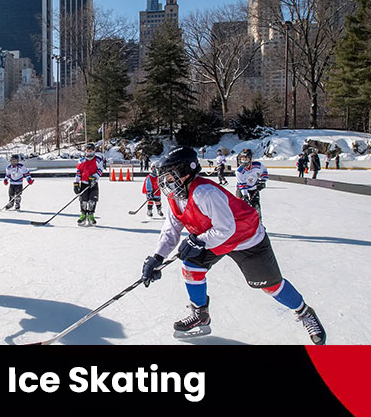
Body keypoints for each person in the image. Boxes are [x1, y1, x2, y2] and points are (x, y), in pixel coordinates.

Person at [140, 147, 326, 344]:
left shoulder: (205, 193)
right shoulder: (175, 197)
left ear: (187, 172)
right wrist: (157, 258)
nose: (166, 183)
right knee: (191, 266)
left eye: (170, 177)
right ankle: (200, 314)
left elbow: (226, 229)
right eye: (164, 178)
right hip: (213, 238)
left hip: (246, 239)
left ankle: (304, 312)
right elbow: (171, 229)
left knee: (271, 286)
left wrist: (197, 241)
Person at [74, 143, 103, 226]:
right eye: (87, 150)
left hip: (93, 184)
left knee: (92, 200)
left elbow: (100, 170)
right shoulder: (82, 160)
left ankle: (91, 215)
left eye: (90, 150)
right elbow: (78, 172)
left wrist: (94, 177)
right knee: (83, 200)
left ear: (94, 151)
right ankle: (83, 215)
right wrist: (76, 183)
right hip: (84, 183)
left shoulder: (98, 160)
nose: (89, 152)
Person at [235, 148, 268, 221]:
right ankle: (240, 225)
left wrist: (263, 181)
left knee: (256, 206)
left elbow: (264, 171)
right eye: (242, 158)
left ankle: (259, 224)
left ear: (250, 159)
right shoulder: (239, 171)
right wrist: (245, 195)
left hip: (254, 188)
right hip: (241, 190)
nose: (244, 161)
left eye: (246, 158)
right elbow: (242, 184)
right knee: (240, 206)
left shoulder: (257, 165)